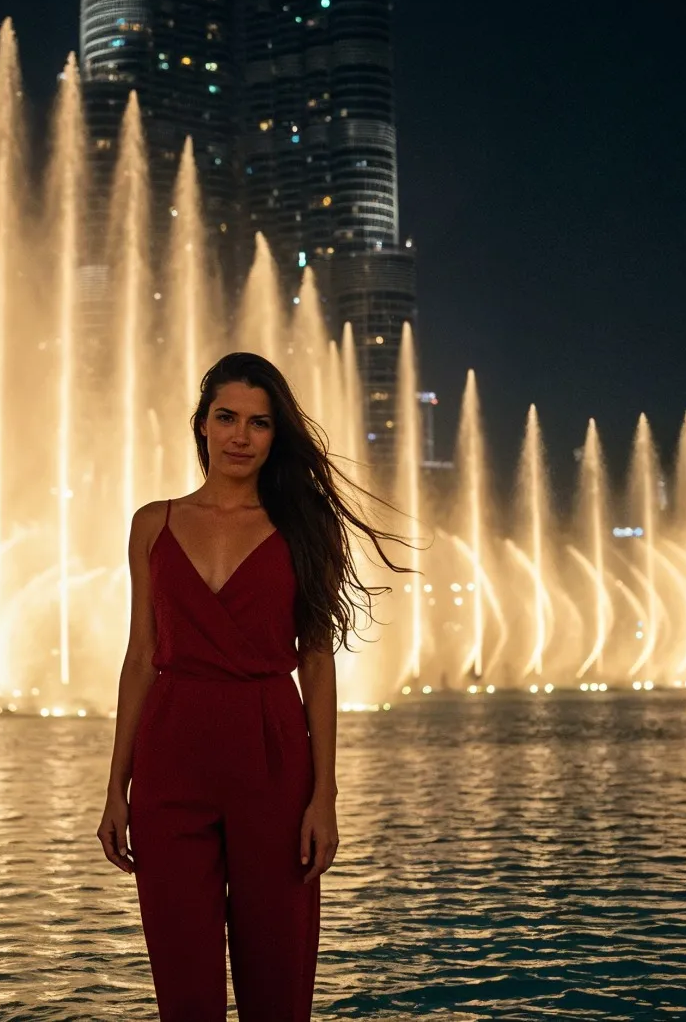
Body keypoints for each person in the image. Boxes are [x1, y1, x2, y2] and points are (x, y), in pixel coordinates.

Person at [97, 351, 411, 1021]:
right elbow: (140, 656)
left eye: (260, 422)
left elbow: (318, 661)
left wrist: (324, 794)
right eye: (227, 417)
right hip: (170, 758)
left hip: (273, 754)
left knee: (278, 976)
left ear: (276, 435)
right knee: (183, 988)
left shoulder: (305, 525)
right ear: (203, 424)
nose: (241, 434)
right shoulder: (152, 523)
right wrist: (114, 790)